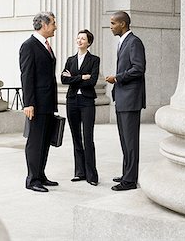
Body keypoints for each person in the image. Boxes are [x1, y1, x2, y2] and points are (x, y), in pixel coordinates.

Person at [105, 11, 146, 191]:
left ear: (123, 24)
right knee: (124, 140)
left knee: (130, 142)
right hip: (122, 98)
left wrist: (117, 78)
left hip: (130, 100)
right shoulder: (124, 42)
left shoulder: (134, 42)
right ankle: (126, 174)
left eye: (113, 23)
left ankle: (129, 181)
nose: (111, 26)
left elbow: (139, 68)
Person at [19, 11, 59, 193]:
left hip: (48, 103)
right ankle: (32, 179)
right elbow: (27, 76)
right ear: (44, 25)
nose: (55, 27)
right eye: (53, 24)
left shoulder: (46, 45)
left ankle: (40, 175)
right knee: (35, 141)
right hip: (36, 104)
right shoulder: (29, 46)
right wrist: (28, 104)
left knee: (44, 141)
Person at [61, 29, 99, 186]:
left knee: (88, 137)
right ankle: (80, 172)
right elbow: (63, 79)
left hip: (87, 101)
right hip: (72, 101)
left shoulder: (94, 60)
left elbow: (93, 81)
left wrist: (74, 79)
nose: (79, 40)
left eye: (83, 38)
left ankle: (92, 175)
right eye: (78, 38)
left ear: (88, 42)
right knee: (76, 137)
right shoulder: (70, 60)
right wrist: (82, 77)